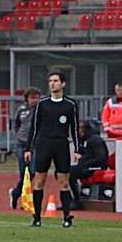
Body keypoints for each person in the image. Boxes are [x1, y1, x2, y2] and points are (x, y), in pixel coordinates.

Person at [23, 71, 79, 228]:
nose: (52, 83)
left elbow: (74, 128)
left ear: (63, 84)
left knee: (64, 181)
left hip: (61, 144)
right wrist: (28, 147)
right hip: (44, 144)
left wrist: (77, 148)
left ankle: (67, 218)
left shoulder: (70, 105)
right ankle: (36, 217)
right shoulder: (42, 104)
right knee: (39, 180)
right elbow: (34, 127)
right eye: (50, 81)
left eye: (55, 81)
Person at [9, 87, 41, 209]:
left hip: (35, 144)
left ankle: (16, 192)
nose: (35, 100)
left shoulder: (40, 110)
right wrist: (19, 135)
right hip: (21, 143)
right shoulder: (21, 109)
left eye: (37, 97)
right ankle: (24, 197)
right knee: (23, 172)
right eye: (32, 98)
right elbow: (16, 124)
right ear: (27, 98)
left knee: (32, 171)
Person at [69, 120, 109, 209]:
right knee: (61, 172)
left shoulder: (95, 140)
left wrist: (85, 164)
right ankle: (69, 199)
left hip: (96, 167)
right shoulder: (83, 140)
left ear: (81, 130)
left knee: (71, 173)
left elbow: (101, 158)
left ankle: (76, 200)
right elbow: (86, 153)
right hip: (86, 166)